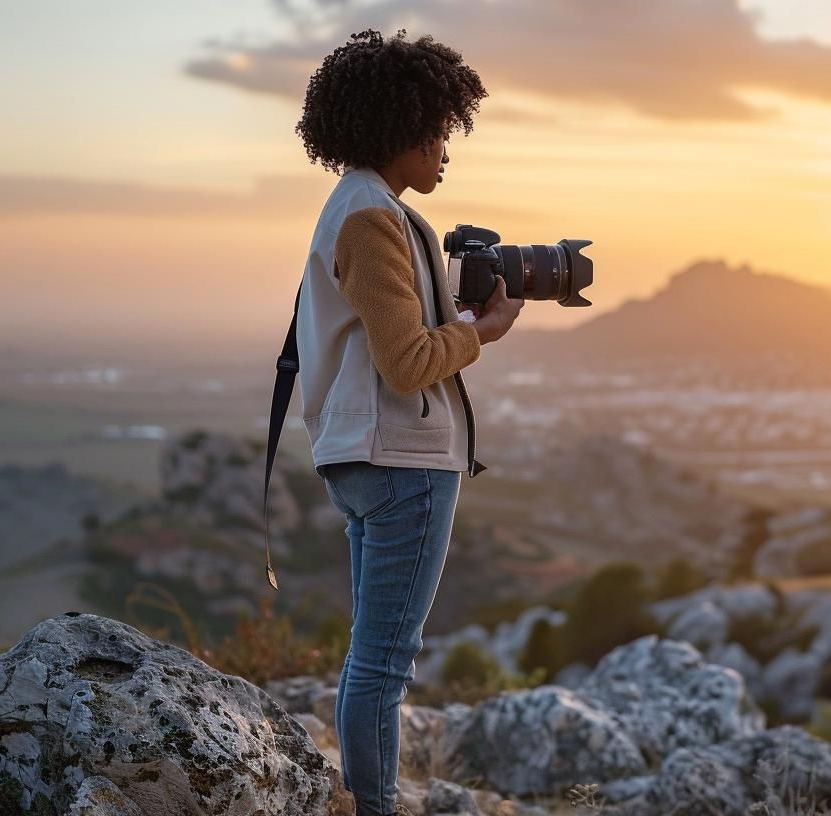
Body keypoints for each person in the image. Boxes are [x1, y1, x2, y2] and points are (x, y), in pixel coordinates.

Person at [291, 28, 521, 816]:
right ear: (402, 127)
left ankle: (365, 800)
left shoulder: (361, 207)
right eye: (439, 130)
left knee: (371, 656)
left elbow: (389, 341)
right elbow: (409, 362)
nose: (447, 150)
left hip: (365, 458)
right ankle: (376, 807)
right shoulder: (370, 217)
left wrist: (449, 320)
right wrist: (480, 334)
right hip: (401, 462)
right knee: (386, 663)